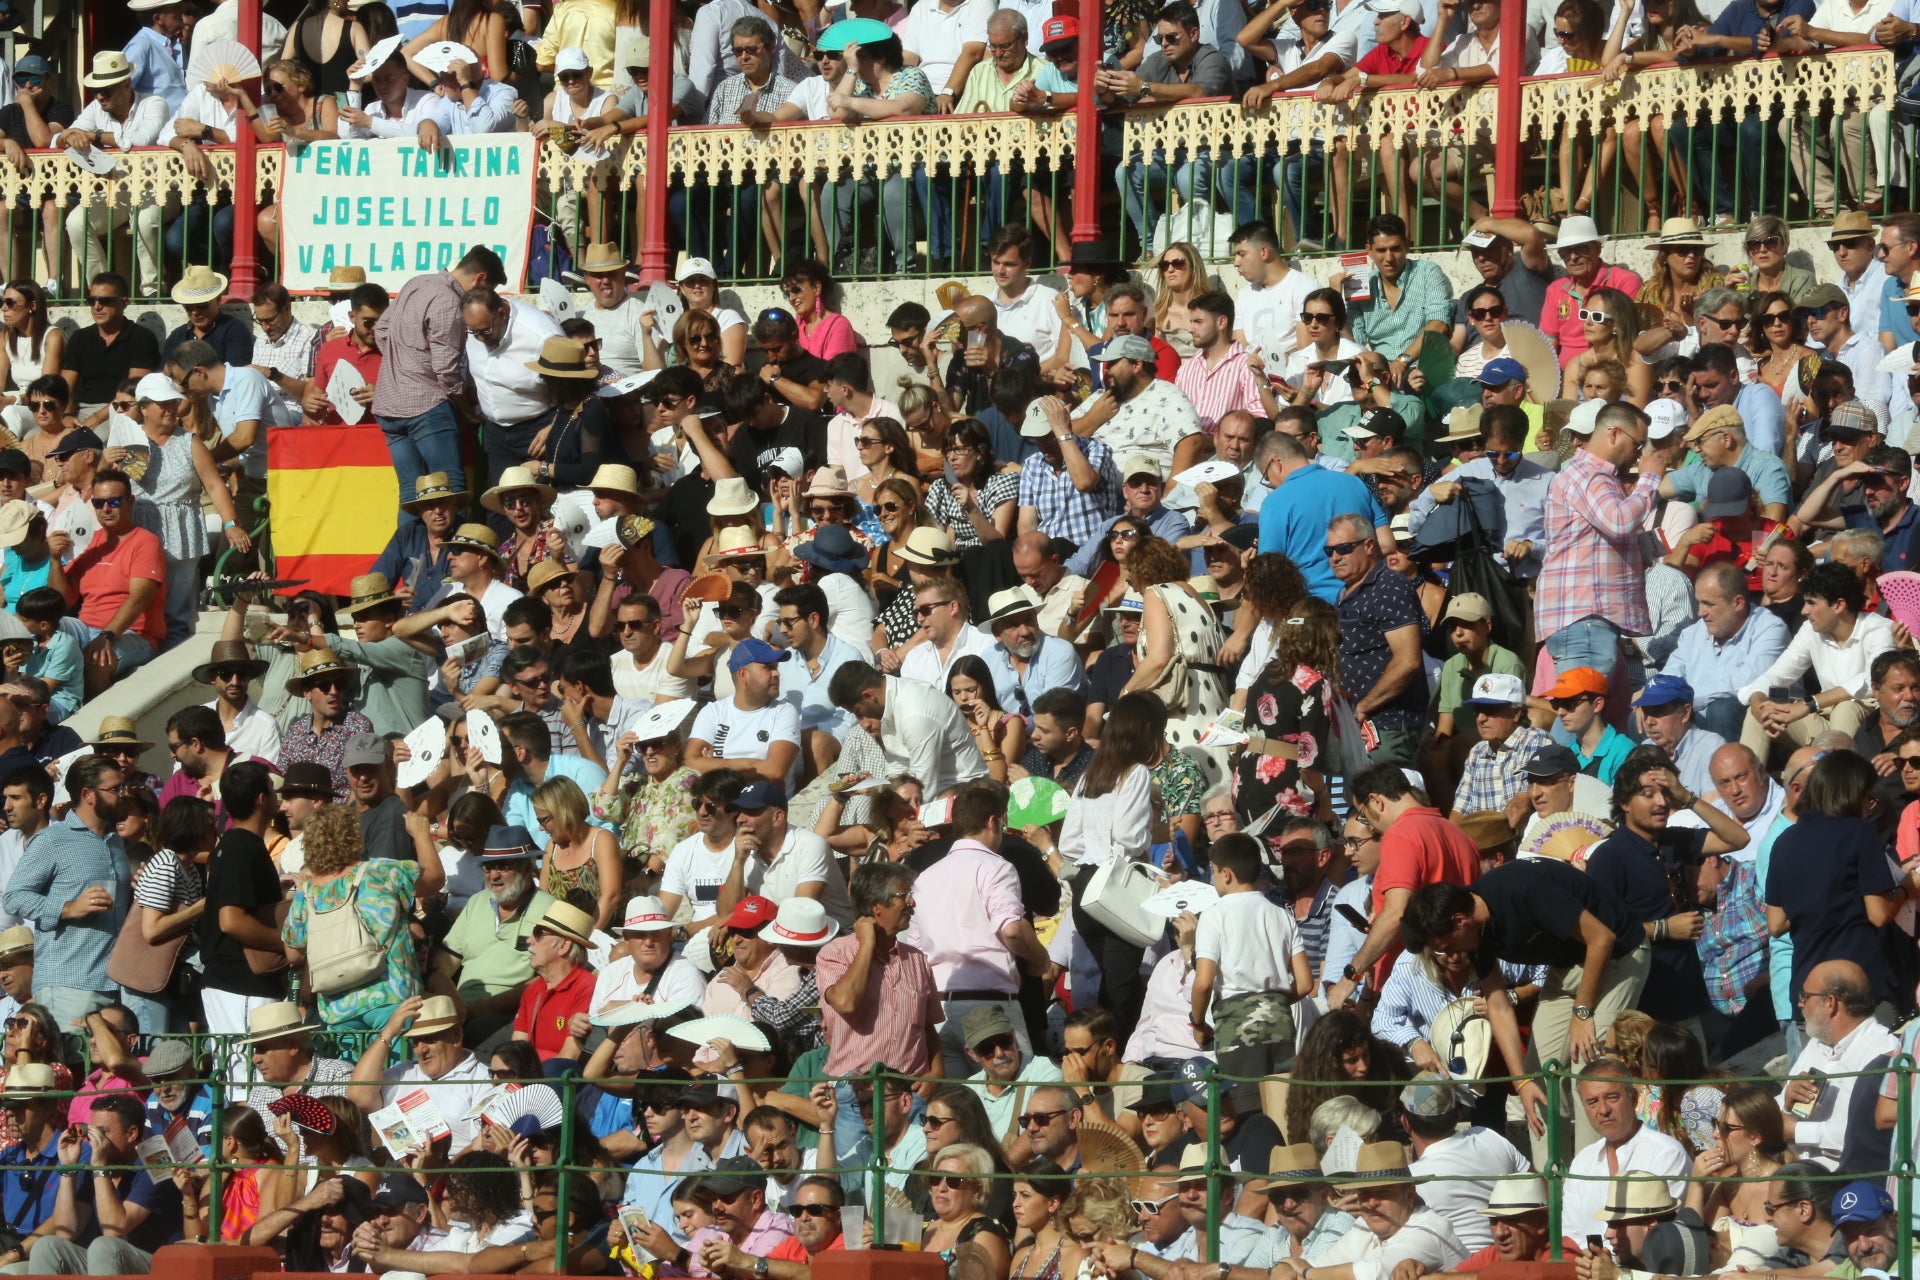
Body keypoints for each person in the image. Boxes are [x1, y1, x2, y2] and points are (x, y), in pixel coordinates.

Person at [1538, 401, 1667, 681]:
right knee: (1583, 713)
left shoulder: (1589, 475)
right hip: (1586, 618)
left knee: (1592, 714)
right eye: (1638, 444)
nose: (1639, 455)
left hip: (1587, 618)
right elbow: (1619, 522)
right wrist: (1649, 480)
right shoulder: (1590, 476)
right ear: (1614, 434)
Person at [0, 755, 130, 1033]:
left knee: (106, 1076)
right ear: (87, 794)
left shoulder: (116, 841)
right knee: (69, 1072)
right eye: (115, 789)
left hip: (116, 985)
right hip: (69, 984)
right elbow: (14, 896)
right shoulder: (53, 839)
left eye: (123, 787)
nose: (123, 794)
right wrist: (68, 908)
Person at [199, 762, 287, 1084]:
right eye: (273, 790)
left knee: (248, 1079)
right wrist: (283, 942)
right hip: (239, 982)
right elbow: (231, 920)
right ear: (263, 799)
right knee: (248, 1082)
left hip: (234, 983)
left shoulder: (236, 845)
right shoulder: (240, 847)